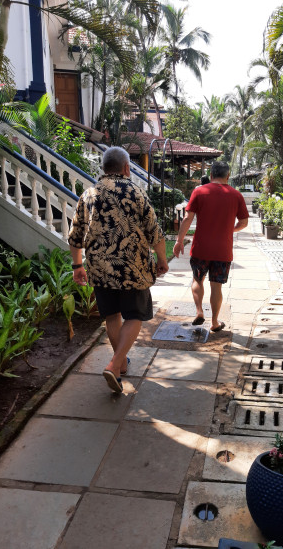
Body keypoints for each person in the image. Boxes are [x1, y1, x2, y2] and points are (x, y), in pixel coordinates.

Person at [68, 146, 168, 393]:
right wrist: (162, 259)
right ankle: (114, 365)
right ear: (126, 168)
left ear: (104, 168)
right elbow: (154, 232)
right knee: (134, 315)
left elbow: (75, 235)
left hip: (100, 269)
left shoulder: (89, 194)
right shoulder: (136, 192)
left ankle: (121, 363)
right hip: (132, 269)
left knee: (112, 315)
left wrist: (77, 265)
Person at [173, 161, 249, 332]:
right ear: (228, 176)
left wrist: (179, 241)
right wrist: (231, 229)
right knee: (216, 286)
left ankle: (199, 311)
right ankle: (214, 322)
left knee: (197, 280)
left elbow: (187, 218)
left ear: (211, 175)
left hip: (201, 248)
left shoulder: (199, 191)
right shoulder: (236, 195)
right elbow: (244, 222)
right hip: (223, 250)